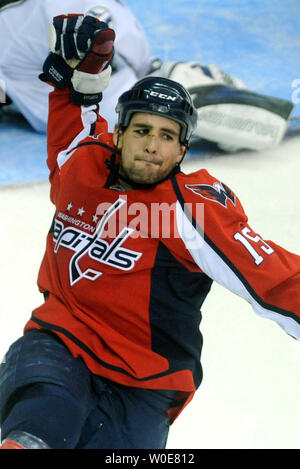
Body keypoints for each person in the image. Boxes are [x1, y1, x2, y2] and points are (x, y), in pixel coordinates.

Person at [1, 13, 300, 450]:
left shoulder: (191, 210)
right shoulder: (81, 165)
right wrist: (85, 73)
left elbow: (275, 278)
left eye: (167, 136)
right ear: (119, 134)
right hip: (59, 344)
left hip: (144, 381)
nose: (152, 145)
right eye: (141, 130)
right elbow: (75, 114)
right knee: (39, 428)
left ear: (182, 149)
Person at [0, 0, 293, 152]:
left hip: (61, 96)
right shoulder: (60, 9)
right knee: (177, 98)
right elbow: (111, 48)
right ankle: (185, 93)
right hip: (99, 111)